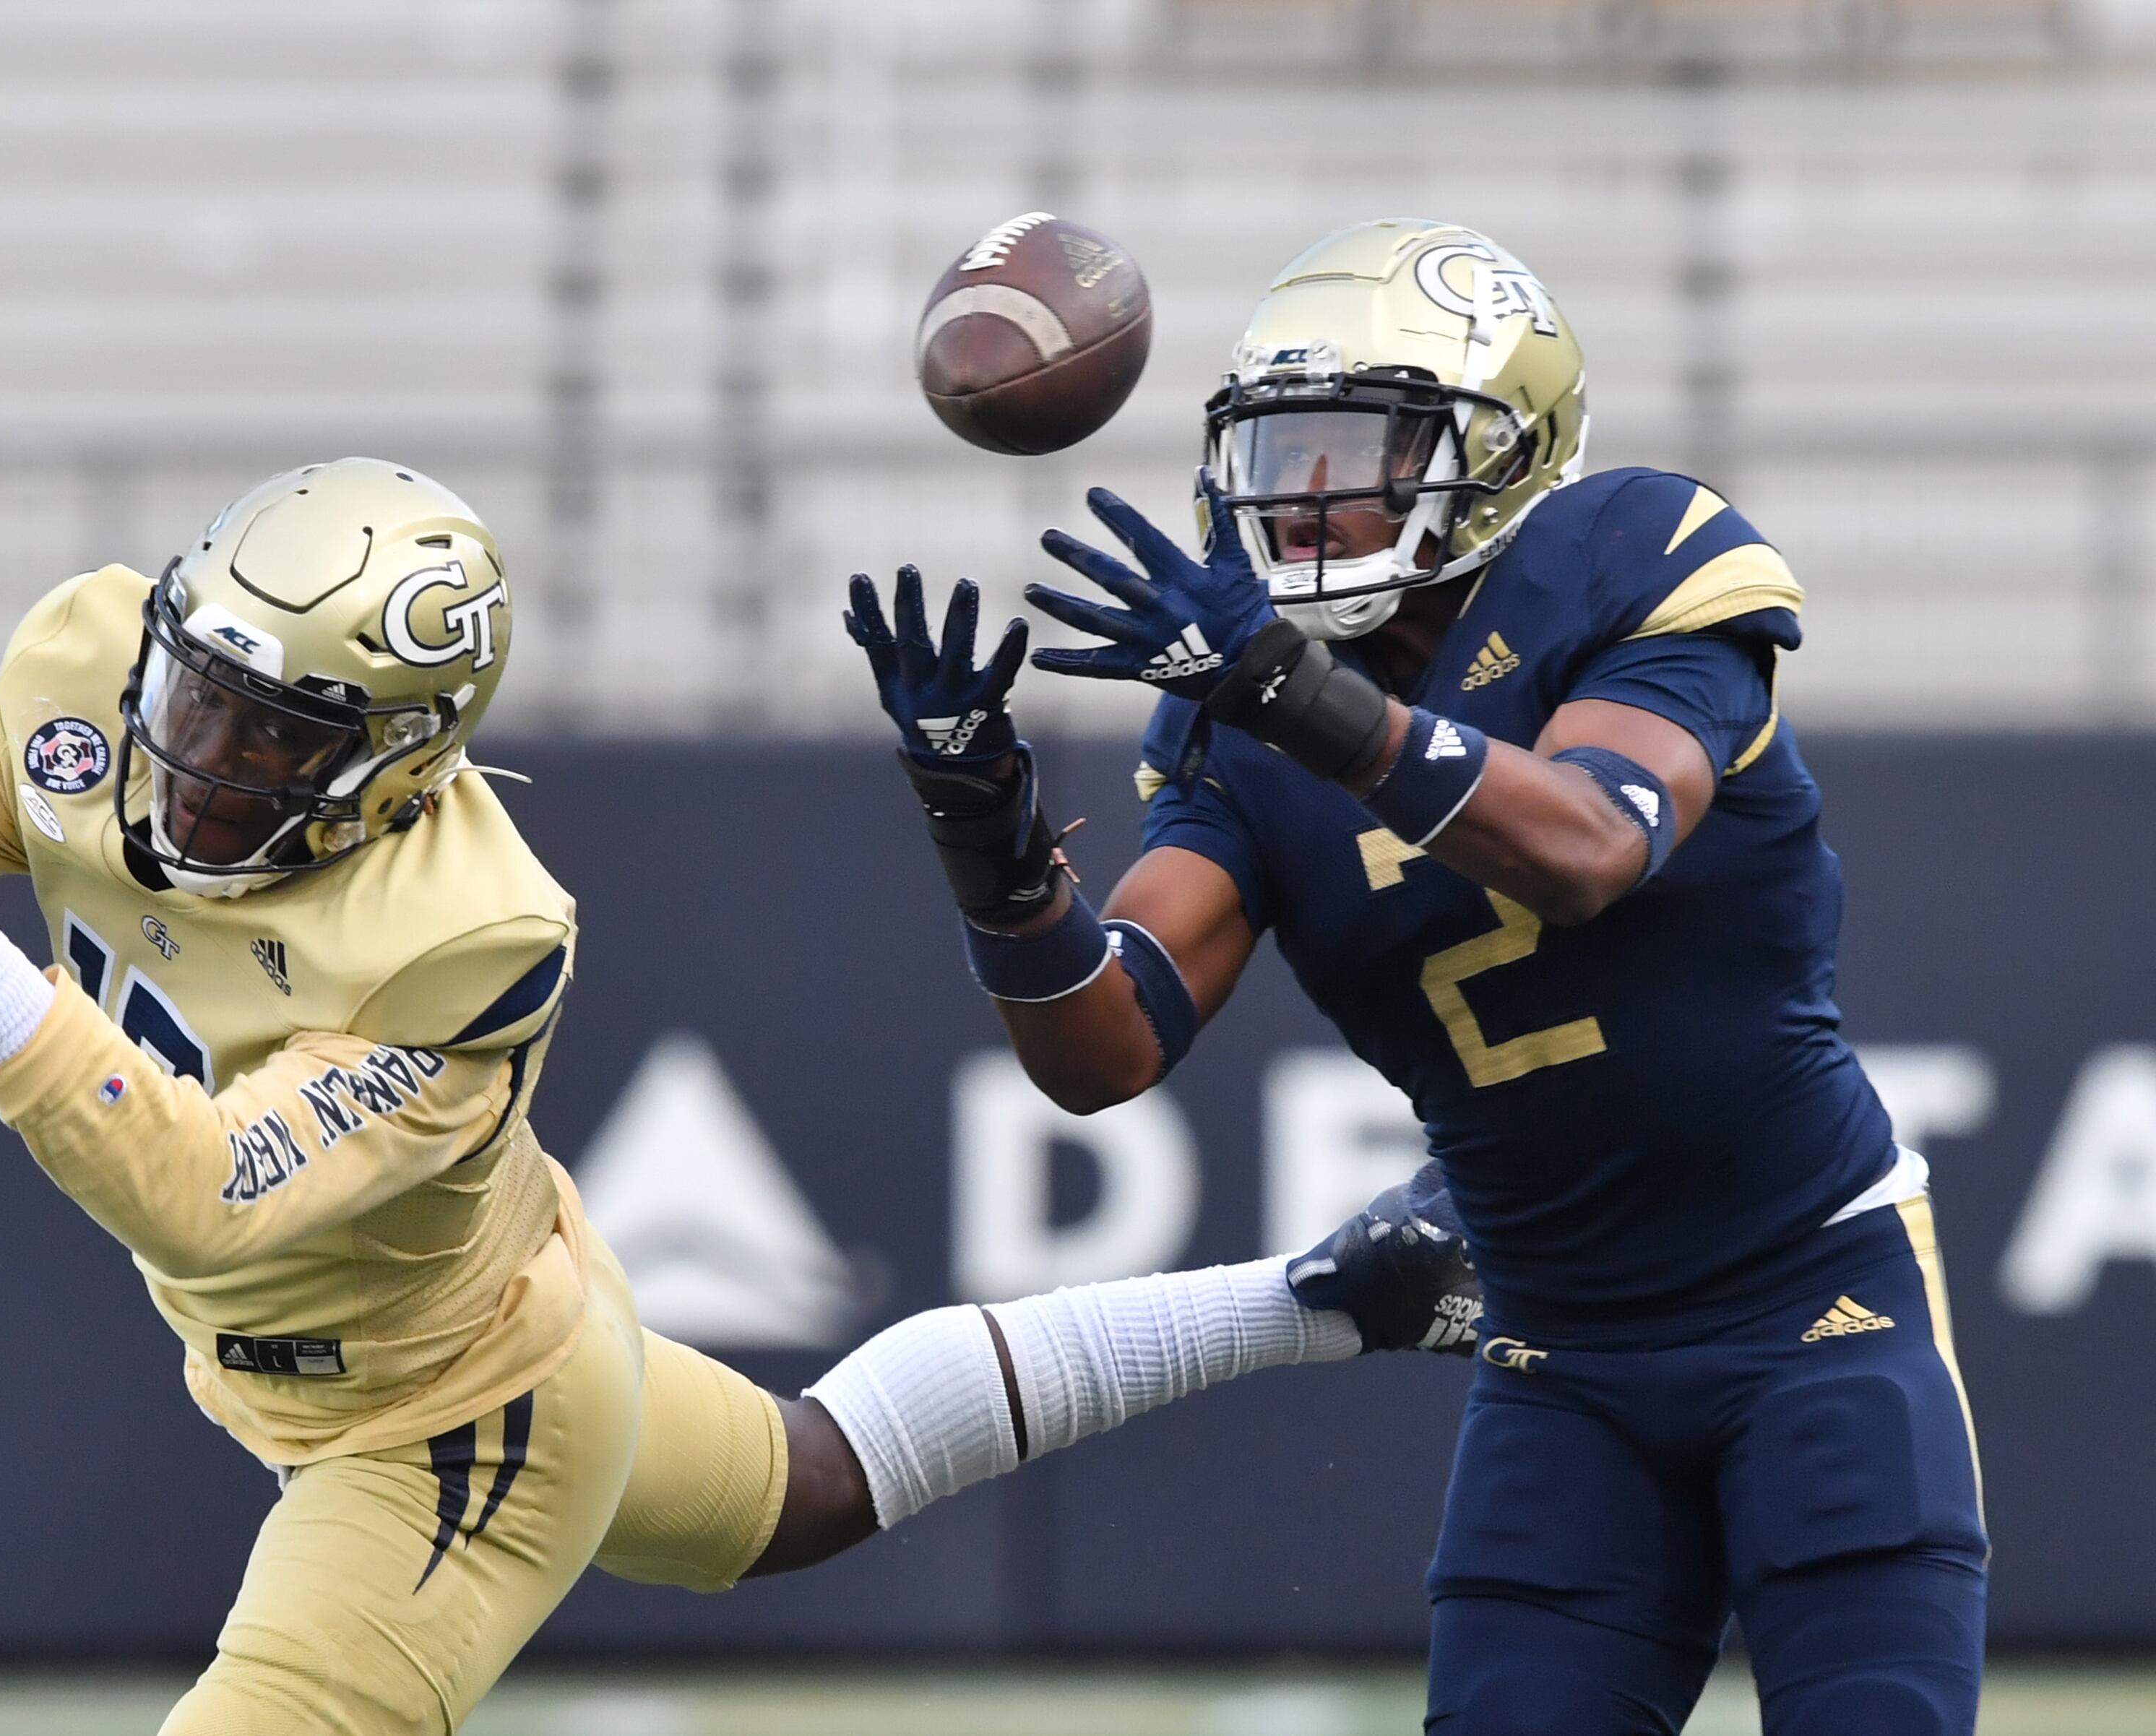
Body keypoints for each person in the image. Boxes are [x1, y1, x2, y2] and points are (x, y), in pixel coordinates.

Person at [0, 458, 1476, 1732]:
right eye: (196, 683)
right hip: (475, 1322)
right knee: (805, 1485)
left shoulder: (468, 929)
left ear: (394, 764)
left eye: (268, 729)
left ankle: (1320, 1296)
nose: (193, 747)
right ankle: (1317, 1295)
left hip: (448, 1414)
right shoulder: (91, 680)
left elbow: (208, 1197)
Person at [824, 220, 1986, 1733]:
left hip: (1814, 1297)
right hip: (1557, 1346)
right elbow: (1105, 1045)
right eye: (1282, 455)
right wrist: (986, 836)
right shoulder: (1238, 716)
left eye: (1361, 451)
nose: (1308, 499)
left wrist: (1298, 696)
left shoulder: (1638, 557)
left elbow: (1587, 845)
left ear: (1504, 447)